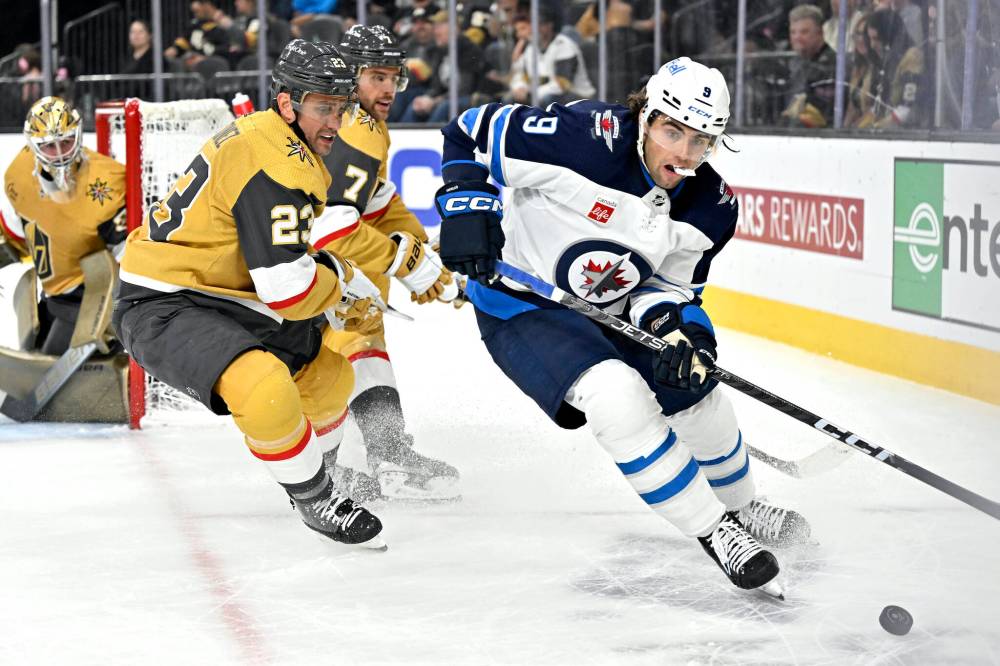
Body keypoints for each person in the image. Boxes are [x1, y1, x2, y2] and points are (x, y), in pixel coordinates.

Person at [434, 57, 810, 595]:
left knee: (695, 387)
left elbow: (668, 287)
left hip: (613, 308)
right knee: (617, 394)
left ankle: (745, 507)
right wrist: (467, 206)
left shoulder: (712, 206)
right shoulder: (579, 140)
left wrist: (683, 333)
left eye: (701, 140)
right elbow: (468, 132)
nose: (682, 153)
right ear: (646, 115)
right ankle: (716, 531)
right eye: (671, 130)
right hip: (523, 302)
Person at [113, 40, 385, 549]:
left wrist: (331, 273)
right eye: (323, 107)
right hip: (163, 298)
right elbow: (286, 292)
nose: (335, 121)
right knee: (264, 387)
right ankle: (315, 495)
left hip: (225, 292)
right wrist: (339, 281)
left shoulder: (273, 141)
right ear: (287, 104)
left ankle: (315, 469)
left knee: (330, 379)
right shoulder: (276, 162)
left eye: (341, 108)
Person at [315, 24, 462, 501]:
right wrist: (406, 262)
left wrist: (424, 250)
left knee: (347, 339)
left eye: (393, 77)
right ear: (352, 75)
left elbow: (375, 201)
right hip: (290, 263)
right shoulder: (356, 128)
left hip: (290, 256)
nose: (387, 88)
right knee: (354, 332)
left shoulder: (358, 122)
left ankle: (344, 461)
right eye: (376, 75)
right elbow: (332, 226)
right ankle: (377, 455)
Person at [1, 96, 127, 355]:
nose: (59, 154)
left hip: (92, 297)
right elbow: (15, 231)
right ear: (32, 145)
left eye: (66, 141)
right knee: (37, 357)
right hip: (51, 294)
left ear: (78, 134)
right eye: (49, 146)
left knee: (53, 377)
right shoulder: (17, 174)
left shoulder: (110, 180)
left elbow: (126, 256)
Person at [508, 7, 594, 107]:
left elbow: (562, 85)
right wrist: (520, 88)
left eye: (541, 24)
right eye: (534, 25)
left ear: (550, 25)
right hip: (539, 95)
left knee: (549, 100)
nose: (537, 29)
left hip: (577, 97)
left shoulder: (564, 45)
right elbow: (522, 76)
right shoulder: (531, 47)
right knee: (509, 101)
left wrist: (531, 94)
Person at [781, 4, 836, 128]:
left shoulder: (831, 65)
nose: (797, 38)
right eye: (793, 32)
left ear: (820, 33)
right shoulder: (795, 62)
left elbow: (824, 114)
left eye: (804, 32)